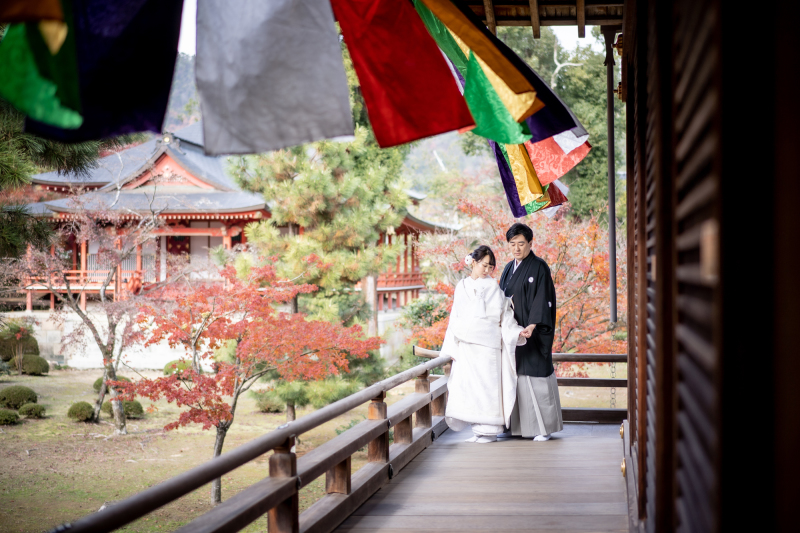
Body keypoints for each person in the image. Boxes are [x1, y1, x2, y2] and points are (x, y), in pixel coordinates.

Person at [440, 245, 529, 444]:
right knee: (470, 387)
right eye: (484, 265)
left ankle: (490, 430)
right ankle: (478, 429)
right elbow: (455, 316)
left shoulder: (493, 287)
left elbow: (505, 315)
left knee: (487, 386)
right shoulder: (461, 286)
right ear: (473, 262)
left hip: (488, 345)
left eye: (490, 267)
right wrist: (452, 347)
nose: (487, 270)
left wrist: (516, 331)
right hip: (467, 345)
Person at [499, 223, 563, 442]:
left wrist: (534, 324)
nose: (516, 248)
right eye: (512, 244)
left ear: (530, 243)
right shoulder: (508, 268)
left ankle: (544, 428)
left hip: (532, 334)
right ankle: (514, 428)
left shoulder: (539, 266)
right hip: (514, 333)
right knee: (514, 379)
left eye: (521, 243)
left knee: (536, 378)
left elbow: (543, 298)